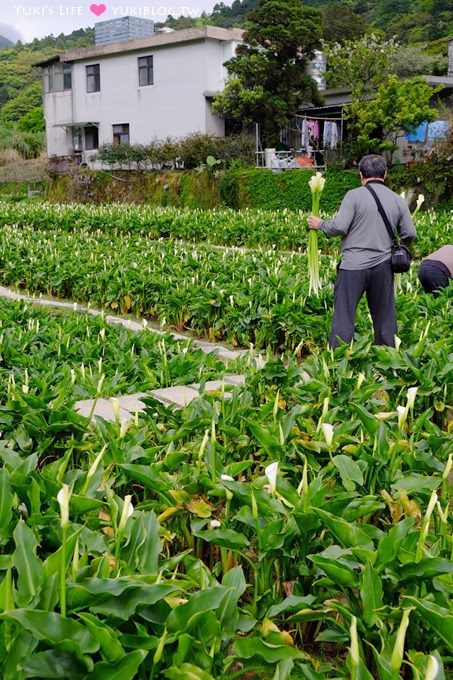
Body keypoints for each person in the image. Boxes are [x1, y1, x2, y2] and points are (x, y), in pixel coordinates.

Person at [308, 154, 416, 348]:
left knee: (344, 315)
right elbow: (410, 233)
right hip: (384, 267)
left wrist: (320, 224)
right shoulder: (397, 200)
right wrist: (397, 246)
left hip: (353, 266)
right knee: (385, 318)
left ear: (361, 175)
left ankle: (338, 364)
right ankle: (386, 366)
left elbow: (340, 227)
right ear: (385, 173)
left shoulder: (354, 195)